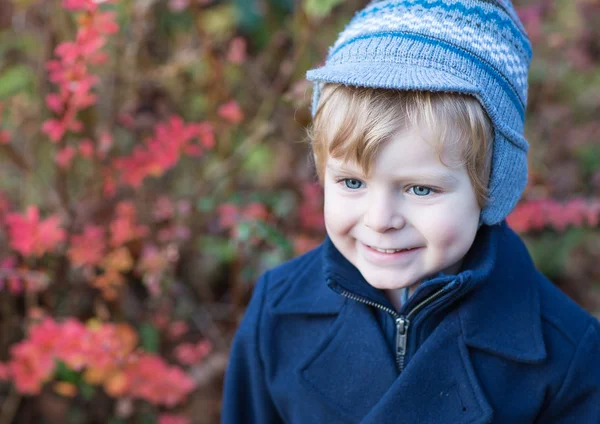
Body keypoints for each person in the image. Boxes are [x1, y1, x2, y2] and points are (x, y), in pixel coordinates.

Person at [221, 0, 600, 422]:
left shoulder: (563, 354)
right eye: (352, 182)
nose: (380, 219)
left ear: (492, 187)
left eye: (420, 188)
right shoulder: (278, 314)